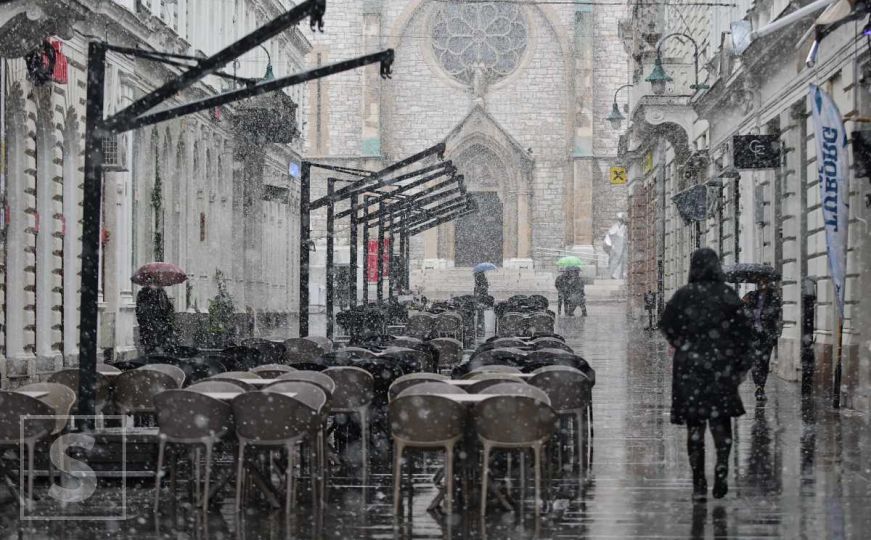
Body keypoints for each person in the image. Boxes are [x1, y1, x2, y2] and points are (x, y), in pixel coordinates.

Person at [660, 248, 753, 501]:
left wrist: (682, 342)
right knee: (721, 422)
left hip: (690, 368)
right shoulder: (727, 295)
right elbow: (745, 333)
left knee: (695, 426)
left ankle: (698, 481)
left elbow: (666, 324)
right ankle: (722, 465)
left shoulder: (683, 296)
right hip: (721, 367)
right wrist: (740, 364)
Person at [742, 278, 782, 402]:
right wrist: (744, 303)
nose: (762, 284)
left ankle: (761, 386)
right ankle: (758, 387)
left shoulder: (774, 296)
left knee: (764, 362)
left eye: (764, 282)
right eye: (760, 282)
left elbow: (774, 312)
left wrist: (762, 314)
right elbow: (743, 311)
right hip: (753, 335)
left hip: (767, 335)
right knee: (755, 362)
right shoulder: (751, 295)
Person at [135, 285, 177, 354]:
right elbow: (140, 313)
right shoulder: (143, 294)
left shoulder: (162, 293)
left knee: (160, 353)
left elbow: (167, 311)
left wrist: (169, 306)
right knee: (151, 351)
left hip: (161, 331)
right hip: (150, 330)